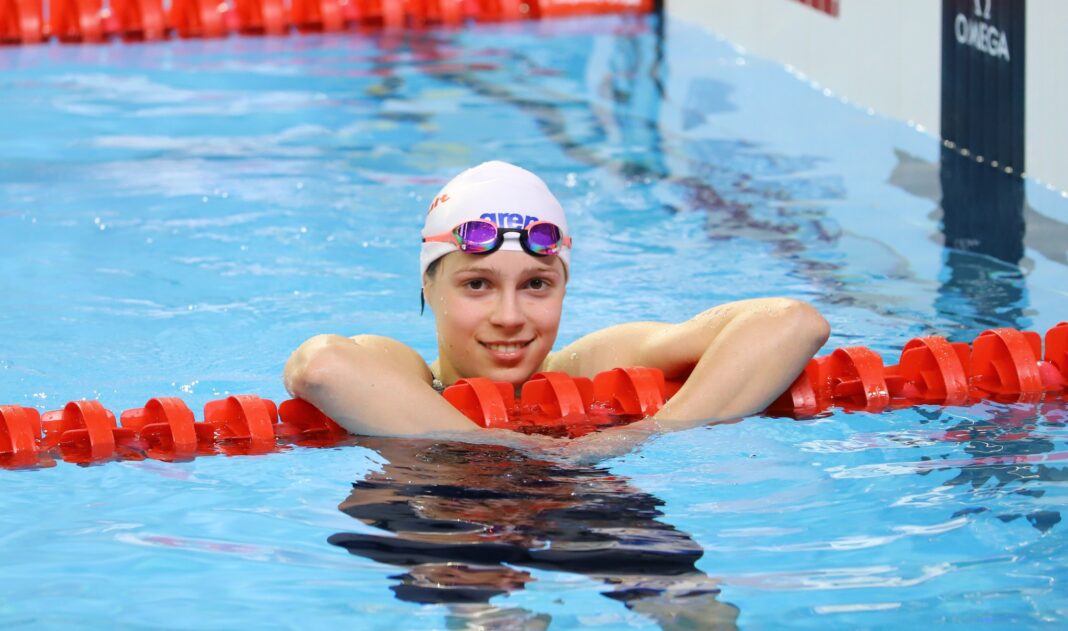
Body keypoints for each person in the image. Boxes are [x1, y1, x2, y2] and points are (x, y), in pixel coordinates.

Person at [284, 161, 829, 437]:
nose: (510, 317)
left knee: (687, 600)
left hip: (582, 512)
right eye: (477, 284)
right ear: (428, 285)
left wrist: (647, 434)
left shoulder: (590, 366)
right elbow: (321, 368)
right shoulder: (408, 375)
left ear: (564, 286)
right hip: (436, 522)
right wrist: (509, 450)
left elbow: (792, 322)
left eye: (536, 284)